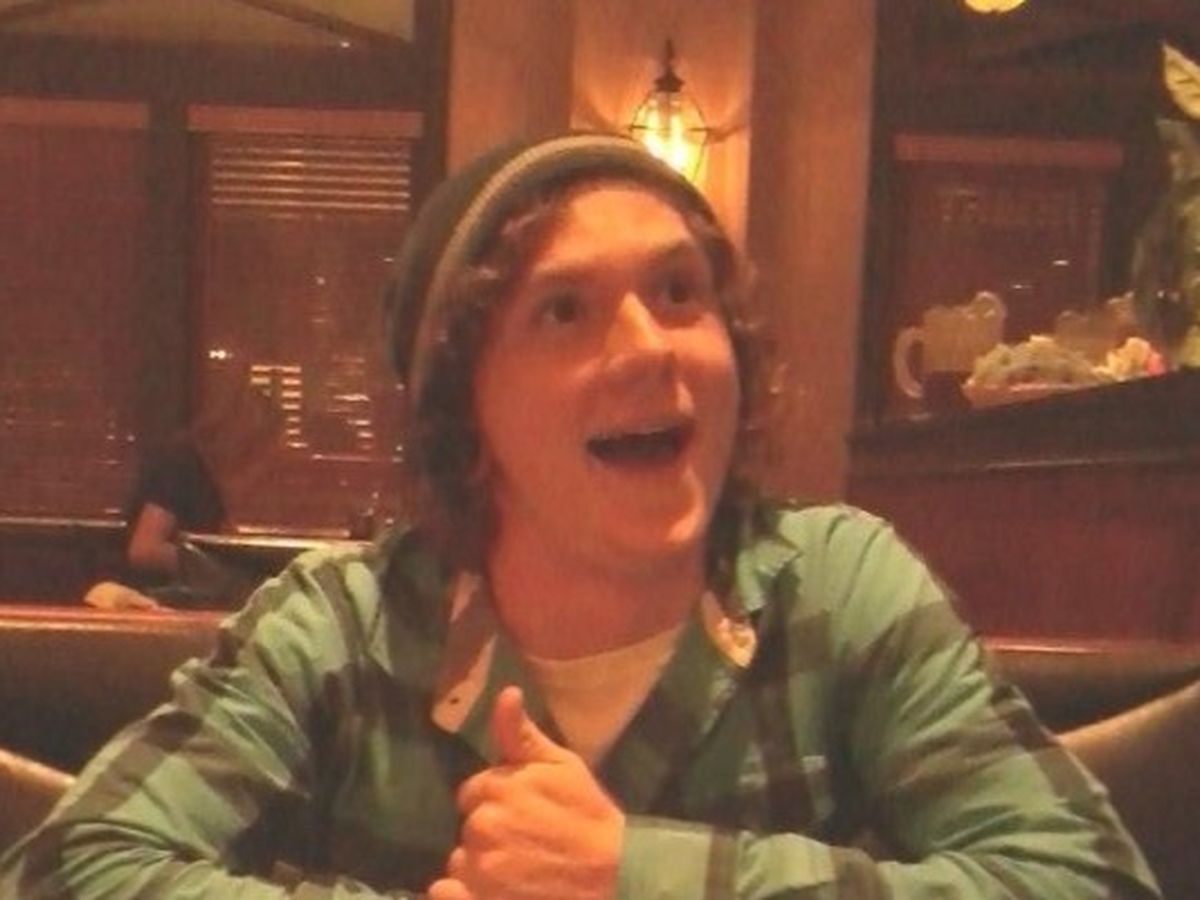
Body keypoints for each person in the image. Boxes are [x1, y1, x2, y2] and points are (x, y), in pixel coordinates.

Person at [0, 133, 1160, 898]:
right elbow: (67, 872)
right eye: (564, 311)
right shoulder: (340, 629)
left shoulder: (841, 588)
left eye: (679, 293)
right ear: (463, 408)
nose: (652, 347)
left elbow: (1088, 881)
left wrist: (632, 876)